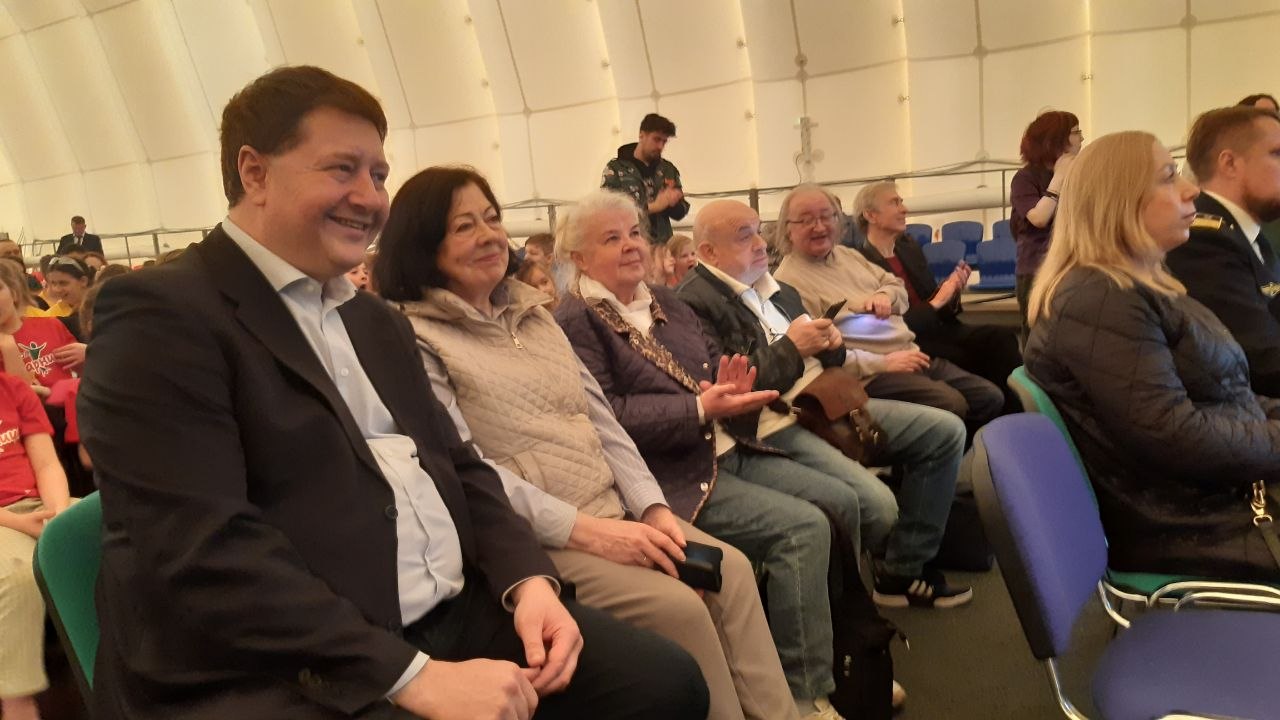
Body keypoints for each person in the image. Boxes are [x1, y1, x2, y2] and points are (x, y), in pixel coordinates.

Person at [78, 65, 708, 720]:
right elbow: (202, 549)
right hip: (284, 663)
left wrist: (529, 583)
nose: (371, 197)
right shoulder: (162, 313)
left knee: (663, 683)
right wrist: (411, 677)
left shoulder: (373, 320)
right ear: (254, 173)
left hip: (449, 613)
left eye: (378, 175)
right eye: (342, 169)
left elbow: (458, 465)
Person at [378, 165, 786, 720]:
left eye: (492, 219)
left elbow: (602, 421)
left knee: (731, 572)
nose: (489, 236)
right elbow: (467, 469)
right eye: (464, 226)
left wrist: (653, 508)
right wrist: (590, 531)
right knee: (680, 607)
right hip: (540, 533)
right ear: (422, 243)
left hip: (617, 508)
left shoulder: (534, 316)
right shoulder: (416, 337)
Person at [555, 189, 909, 718]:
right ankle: (804, 690)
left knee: (841, 503)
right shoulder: (577, 320)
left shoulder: (665, 302)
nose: (631, 245)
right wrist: (701, 406)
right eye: (612, 238)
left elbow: (712, 367)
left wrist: (732, 389)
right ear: (580, 258)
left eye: (634, 233)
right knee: (804, 530)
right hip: (671, 476)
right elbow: (609, 418)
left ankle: (845, 652)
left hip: (729, 444)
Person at [678, 198, 971, 609]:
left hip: (828, 397)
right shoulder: (693, 303)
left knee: (945, 431)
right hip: (779, 420)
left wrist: (831, 344)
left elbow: (832, 357)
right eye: (745, 237)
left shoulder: (777, 289)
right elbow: (731, 391)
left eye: (759, 232)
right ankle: (851, 599)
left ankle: (901, 570)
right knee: (876, 508)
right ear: (709, 252)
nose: (761, 244)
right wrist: (795, 348)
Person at [1025, 130, 1280, 582]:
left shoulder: (1138, 287)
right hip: (1195, 528)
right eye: (1167, 177)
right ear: (1117, 200)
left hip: (1221, 501)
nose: (1190, 189)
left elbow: (1229, 393)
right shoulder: (1100, 297)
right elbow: (1174, 435)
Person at [774, 185, 1003, 436]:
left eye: (826, 217)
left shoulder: (847, 255)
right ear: (788, 228)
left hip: (909, 351)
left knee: (989, 397)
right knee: (951, 403)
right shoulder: (788, 283)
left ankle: (962, 451)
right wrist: (883, 363)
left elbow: (896, 287)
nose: (819, 227)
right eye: (806, 220)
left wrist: (884, 295)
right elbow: (818, 356)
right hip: (869, 374)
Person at [853, 181, 1021, 413]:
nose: (904, 209)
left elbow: (936, 302)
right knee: (973, 355)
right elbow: (887, 327)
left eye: (901, 202)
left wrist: (952, 291)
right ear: (871, 215)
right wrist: (937, 301)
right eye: (894, 203)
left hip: (938, 328)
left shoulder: (908, 248)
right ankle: (993, 416)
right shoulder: (860, 263)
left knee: (1001, 339)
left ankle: (1014, 415)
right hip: (910, 339)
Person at [1164, 106, 1280, 397]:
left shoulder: (1249, 235)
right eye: (1276, 153)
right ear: (1229, 164)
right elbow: (1262, 362)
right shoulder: (1202, 241)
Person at [0, 370, 70, 720]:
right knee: (18, 576)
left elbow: (47, 464)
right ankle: (17, 702)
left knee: (115, 530)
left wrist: (59, 517)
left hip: (38, 506)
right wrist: (19, 523)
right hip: (3, 519)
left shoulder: (13, 389)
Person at [1010, 110, 1082, 335]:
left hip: (1072, 267)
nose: (1082, 138)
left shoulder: (1079, 175)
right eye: (1076, 132)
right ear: (1056, 140)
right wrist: (1059, 177)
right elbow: (1039, 218)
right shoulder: (1025, 178)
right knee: (1038, 337)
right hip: (1036, 270)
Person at [602, 113, 689, 243]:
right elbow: (609, 211)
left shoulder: (667, 169)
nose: (660, 146)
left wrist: (673, 203)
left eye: (664, 141)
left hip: (663, 246)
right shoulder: (616, 169)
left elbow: (680, 213)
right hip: (631, 244)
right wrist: (654, 206)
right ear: (642, 135)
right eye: (656, 139)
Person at [44, 257, 92, 339]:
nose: (57, 289)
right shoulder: (50, 315)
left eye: (63, 283)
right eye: (53, 283)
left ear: (83, 281)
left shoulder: (100, 307)